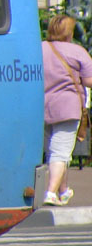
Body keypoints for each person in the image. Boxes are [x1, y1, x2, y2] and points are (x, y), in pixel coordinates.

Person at [41, 14, 92, 206]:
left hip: (42, 107)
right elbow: (89, 80)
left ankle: (63, 192)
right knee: (61, 152)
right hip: (67, 108)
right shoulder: (76, 51)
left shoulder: (39, 49)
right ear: (69, 34)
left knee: (53, 151)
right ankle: (50, 192)